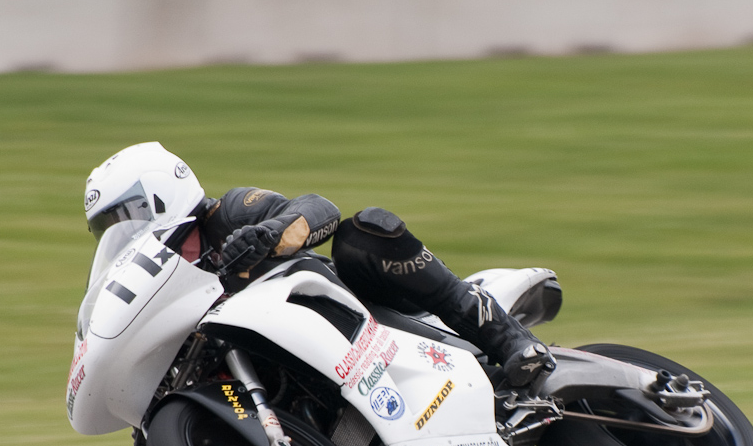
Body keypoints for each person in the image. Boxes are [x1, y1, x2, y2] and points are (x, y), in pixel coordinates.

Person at [83, 142, 554, 388]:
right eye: (112, 227)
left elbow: (318, 208)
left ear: (163, 191)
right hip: (299, 363)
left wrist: (272, 233)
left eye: (128, 215)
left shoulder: (228, 213)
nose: (123, 232)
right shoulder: (162, 279)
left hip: (360, 318)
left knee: (364, 232)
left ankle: (506, 338)